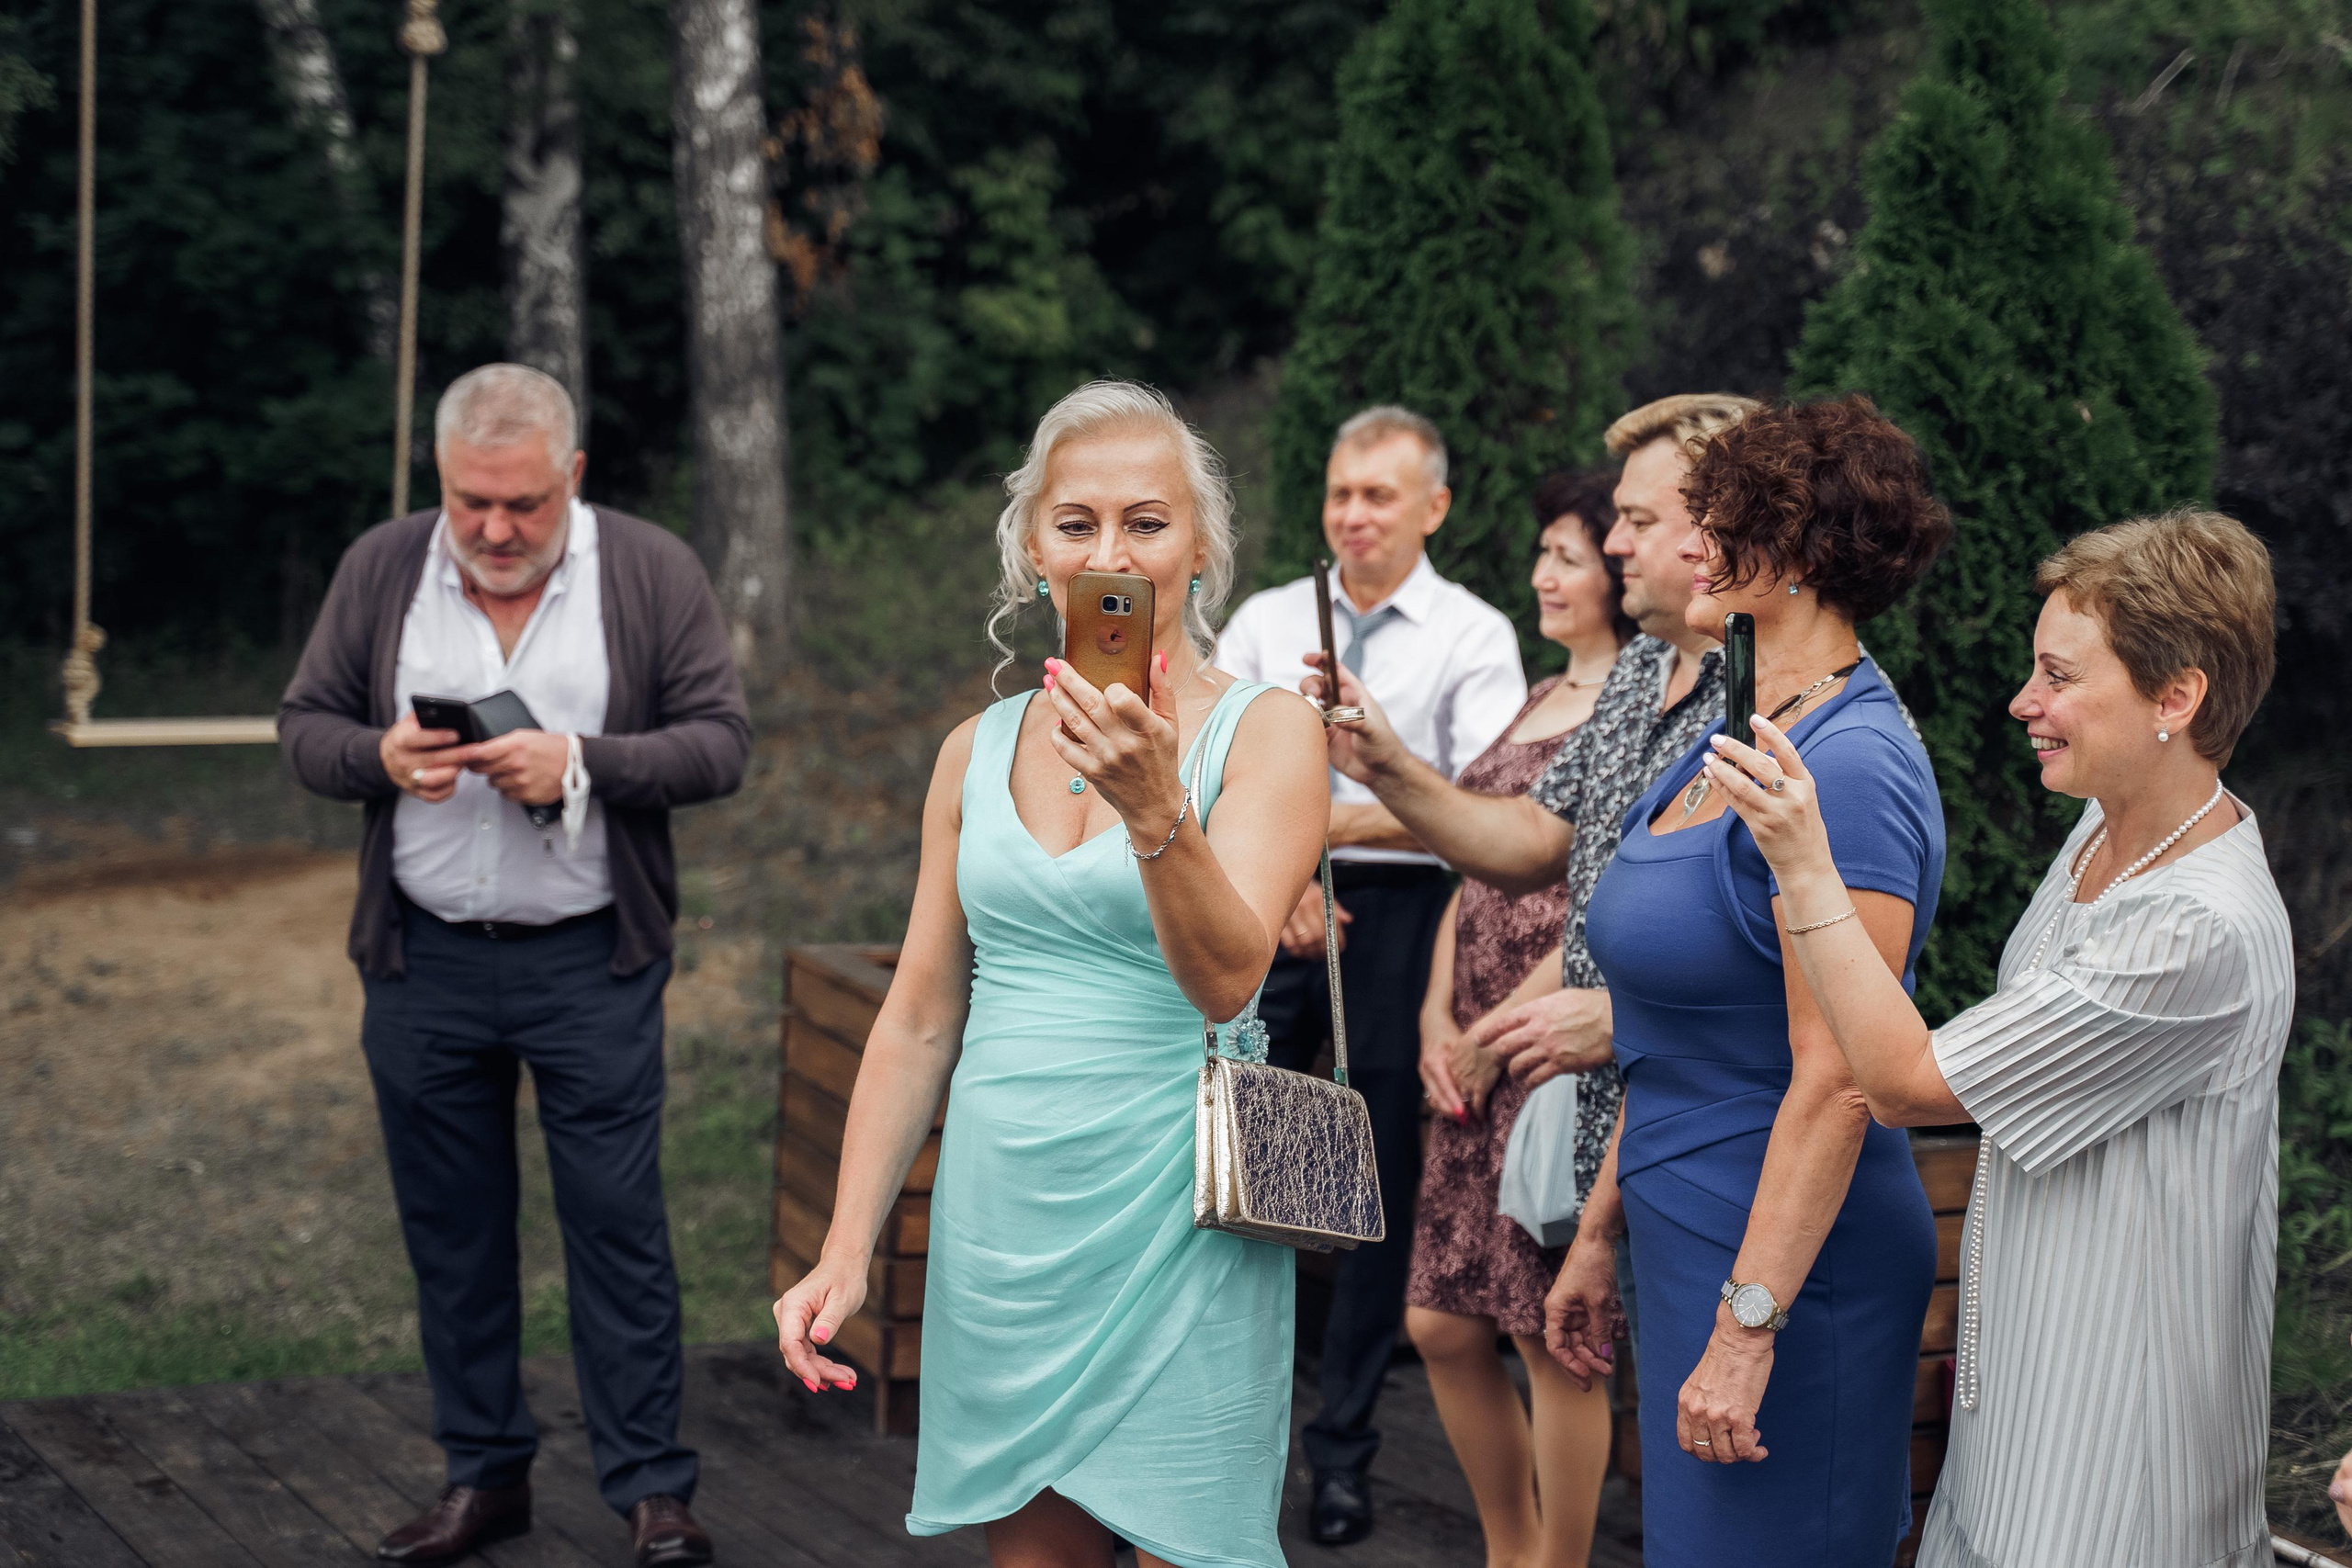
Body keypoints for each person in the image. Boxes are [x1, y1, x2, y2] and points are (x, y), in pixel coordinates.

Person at [772, 381, 1329, 1568]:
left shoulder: (1271, 732)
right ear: (1034, 552)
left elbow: (1232, 978)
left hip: (1181, 1203)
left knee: (1200, 1544)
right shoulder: (971, 751)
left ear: (1201, 549)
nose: (1110, 551)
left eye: (1147, 520)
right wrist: (845, 1242)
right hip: (1004, 1211)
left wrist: (1153, 808)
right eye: (1076, 523)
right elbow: (920, 1014)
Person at [1702, 509, 2292, 1568]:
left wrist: (1801, 860)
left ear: (2176, 697)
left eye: (2059, 677)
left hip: (2119, 1443)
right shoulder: (2102, 836)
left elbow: (1902, 1079)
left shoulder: (2194, 926)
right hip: (2024, 1389)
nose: (2024, 702)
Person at [279, 364, 751, 1568]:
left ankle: (652, 1490)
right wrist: (380, 754)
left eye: (523, 504)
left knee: (616, 1221)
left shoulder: (649, 570)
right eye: (470, 500)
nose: (493, 528)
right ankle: (483, 1474)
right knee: (454, 1227)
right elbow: (304, 727)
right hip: (423, 958)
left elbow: (720, 743)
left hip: (590, 959)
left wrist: (580, 761)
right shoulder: (384, 566)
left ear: (574, 477)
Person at [1544, 396, 1952, 1567]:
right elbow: (1671, 1034)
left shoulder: (1855, 764)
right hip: (1684, 1231)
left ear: (1793, 557)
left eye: (1718, 524)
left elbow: (1837, 1079)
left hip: (1784, 1268)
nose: (1689, 548)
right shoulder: (1732, 720)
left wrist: (1746, 1330)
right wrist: (1596, 1234)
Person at [1314, 391, 1758, 1336]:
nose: (1616, 546)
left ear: (1722, 529)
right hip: (1612, 1117)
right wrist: (1387, 763)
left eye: (1637, 522)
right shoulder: (1644, 669)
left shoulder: (1769, 702)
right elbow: (1529, 845)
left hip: (1708, 1135)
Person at [1215, 405, 1527, 1544]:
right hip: (1263, 900)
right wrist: (1290, 856)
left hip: (1399, 921)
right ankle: (1224, 1430)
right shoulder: (1259, 621)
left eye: (1378, 496)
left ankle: (1338, 1451)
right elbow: (1213, 781)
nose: (1351, 515)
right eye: (1341, 493)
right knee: (1237, 1159)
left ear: (1433, 508)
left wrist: (1312, 821)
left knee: (1366, 1189)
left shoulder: (1472, 634)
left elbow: (1481, 821)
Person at [1402, 468, 1632, 1568]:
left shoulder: (1639, 700)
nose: (1544, 574)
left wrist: (1495, 1036)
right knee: (1441, 1322)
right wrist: (1434, 1018)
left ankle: (1560, 1562)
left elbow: (1600, 904)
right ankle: (1510, 1546)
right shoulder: (1539, 694)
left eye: (1570, 556)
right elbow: (1474, 869)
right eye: (1541, 552)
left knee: (1552, 1335)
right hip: (1469, 1044)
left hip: (1548, 1048)